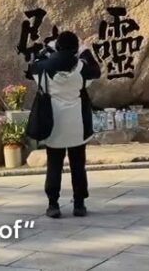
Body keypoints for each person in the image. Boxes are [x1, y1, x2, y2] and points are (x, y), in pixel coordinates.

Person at [25, 30, 100, 218]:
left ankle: (53, 204)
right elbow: (96, 70)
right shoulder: (82, 69)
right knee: (78, 165)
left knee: (54, 165)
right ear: (75, 49)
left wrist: (48, 49)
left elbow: (32, 65)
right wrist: (84, 50)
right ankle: (79, 204)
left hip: (53, 124)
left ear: (57, 47)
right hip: (77, 125)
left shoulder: (42, 69)